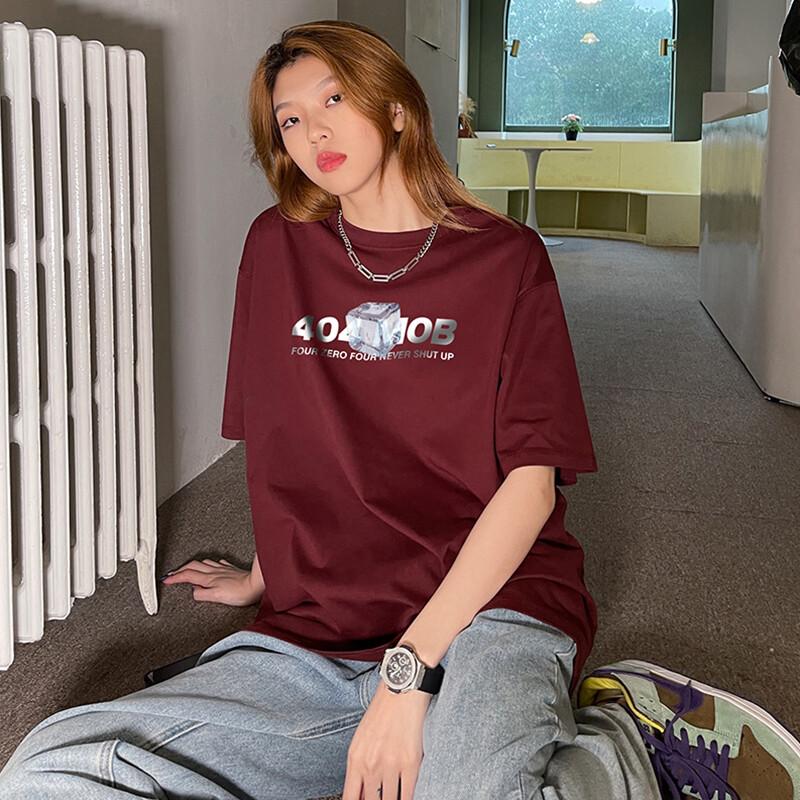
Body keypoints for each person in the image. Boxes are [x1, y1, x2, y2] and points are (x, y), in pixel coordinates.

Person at [1, 18, 798, 800]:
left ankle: (626, 738)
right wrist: (265, 577)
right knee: (50, 770)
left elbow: (531, 487)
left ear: (395, 108)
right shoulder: (275, 247)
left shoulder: (506, 259)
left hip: (490, 605)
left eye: (333, 99)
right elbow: (286, 441)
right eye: (289, 119)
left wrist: (409, 672)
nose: (313, 131)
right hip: (324, 628)